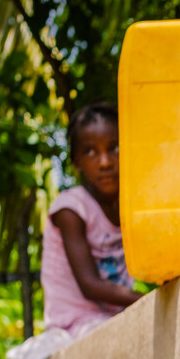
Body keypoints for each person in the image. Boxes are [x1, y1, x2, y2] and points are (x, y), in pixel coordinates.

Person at [43, 103, 141, 335]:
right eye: (91, 152)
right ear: (77, 161)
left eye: (114, 148)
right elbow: (90, 285)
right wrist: (151, 300)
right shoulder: (71, 209)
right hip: (74, 325)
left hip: (112, 318)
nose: (105, 162)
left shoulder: (132, 207)